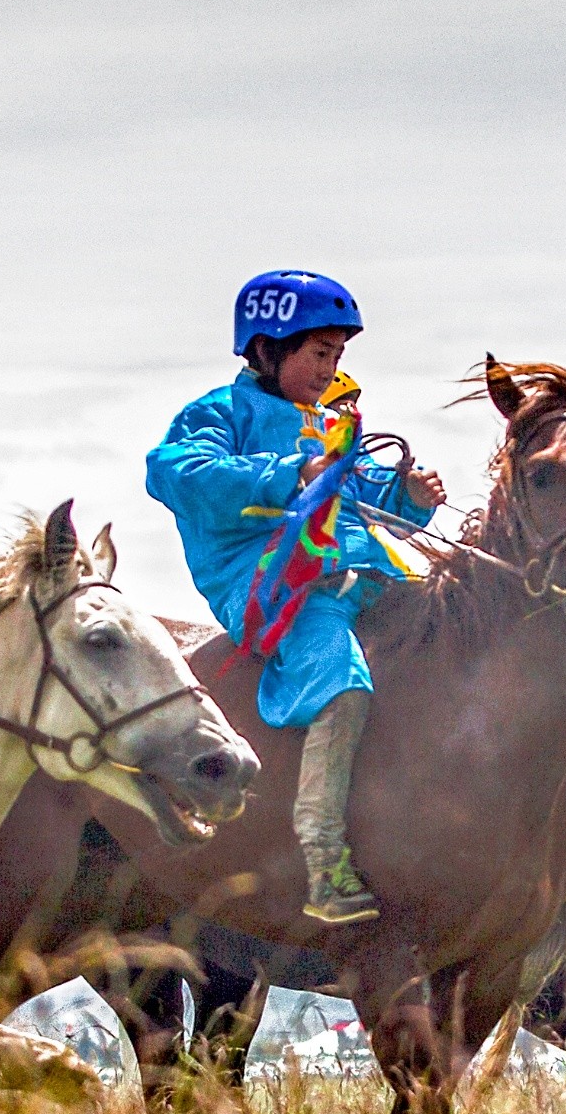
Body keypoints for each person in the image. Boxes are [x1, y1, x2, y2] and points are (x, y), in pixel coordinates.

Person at [145, 269, 447, 926]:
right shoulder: (214, 415)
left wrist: (409, 499)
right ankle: (323, 859)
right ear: (268, 348)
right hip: (281, 593)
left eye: (337, 355)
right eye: (318, 353)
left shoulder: (329, 424)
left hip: (363, 579)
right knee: (344, 687)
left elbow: (369, 498)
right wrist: (291, 472)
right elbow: (172, 473)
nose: (329, 367)